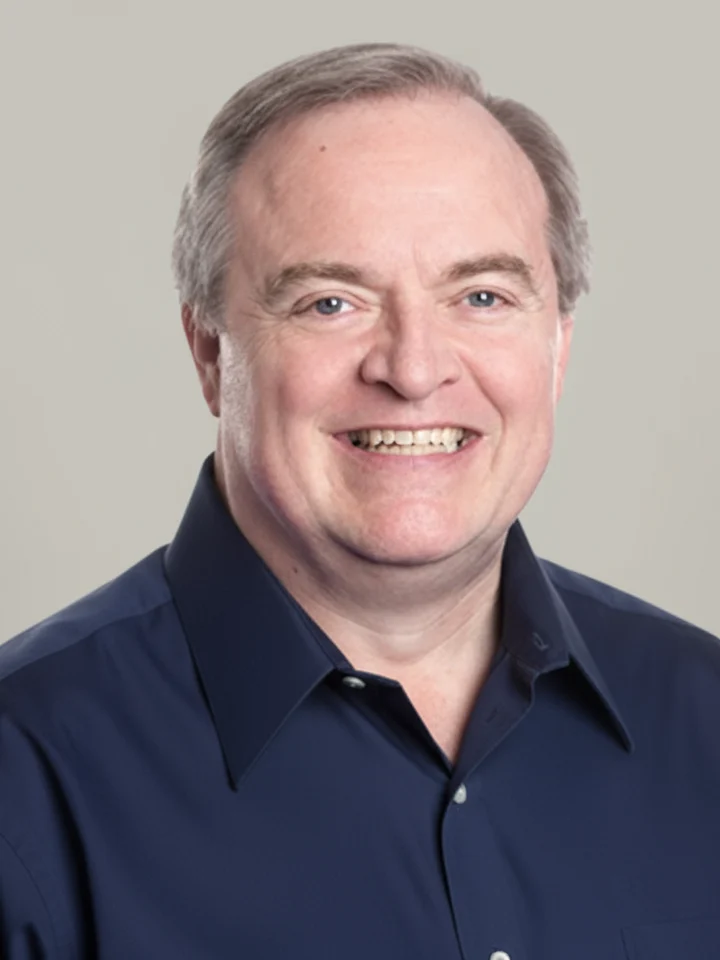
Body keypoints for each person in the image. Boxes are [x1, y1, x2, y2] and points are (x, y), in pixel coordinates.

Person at [1, 42, 719, 960]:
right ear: (211, 352)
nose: (415, 369)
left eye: (483, 295)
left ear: (559, 346)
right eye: (331, 303)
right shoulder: (24, 777)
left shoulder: (705, 722)